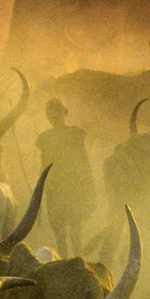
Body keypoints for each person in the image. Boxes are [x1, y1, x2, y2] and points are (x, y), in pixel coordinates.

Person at [35, 97, 94, 256]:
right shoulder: (44, 138)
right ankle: (64, 264)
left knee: (75, 231)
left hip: (73, 187)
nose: (54, 116)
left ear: (65, 113)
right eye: (50, 112)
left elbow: (84, 162)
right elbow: (43, 166)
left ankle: (78, 264)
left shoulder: (75, 133)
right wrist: (39, 194)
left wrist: (89, 189)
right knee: (59, 233)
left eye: (57, 111)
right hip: (54, 189)